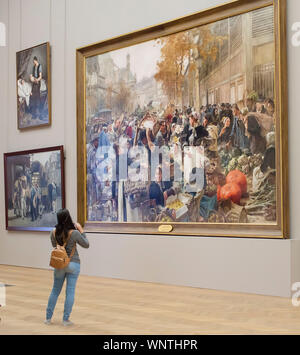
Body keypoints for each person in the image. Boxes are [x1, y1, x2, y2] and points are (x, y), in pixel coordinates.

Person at [45, 209, 89, 326]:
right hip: (73, 264)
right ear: (68, 218)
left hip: (59, 264)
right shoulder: (74, 233)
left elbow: (56, 247)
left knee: (55, 291)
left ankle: (48, 319)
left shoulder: (53, 232)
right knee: (70, 292)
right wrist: (81, 230)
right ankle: (65, 320)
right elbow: (86, 244)